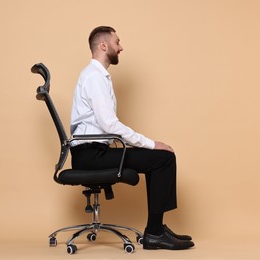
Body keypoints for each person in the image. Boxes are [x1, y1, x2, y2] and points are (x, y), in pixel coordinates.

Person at [70, 26, 194, 250]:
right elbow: (109, 124)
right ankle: (155, 233)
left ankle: (157, 229)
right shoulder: (94, 77)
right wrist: (150, 143)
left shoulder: (97, 76)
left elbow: (106, 126)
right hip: (90, 154)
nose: (121, 47)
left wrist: (146, 146)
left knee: (160, 156)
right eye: (117, 42)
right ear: (104, 46)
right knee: (162, 158)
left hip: (95, 151)